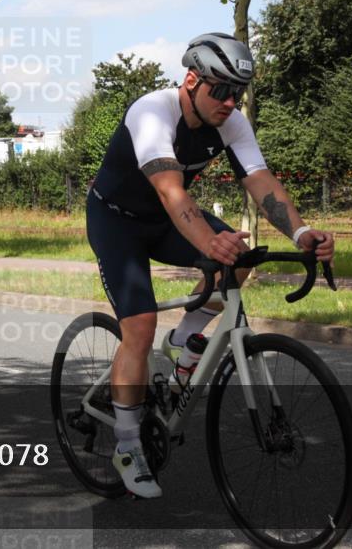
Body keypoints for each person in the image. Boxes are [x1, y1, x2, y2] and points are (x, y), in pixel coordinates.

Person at [86, 32, 335, 498]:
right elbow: (171, 190)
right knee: (138, 328)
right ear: (191, 79)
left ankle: (185, 339)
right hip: (116, 221)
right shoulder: (152, 112)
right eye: (220, 90)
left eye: (237, 93)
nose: (229, 101)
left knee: (240, 261)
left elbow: (263, 184)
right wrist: (208, 241)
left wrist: (302, 234)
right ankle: (126, 445)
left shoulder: (231, 122)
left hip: (165, 221)